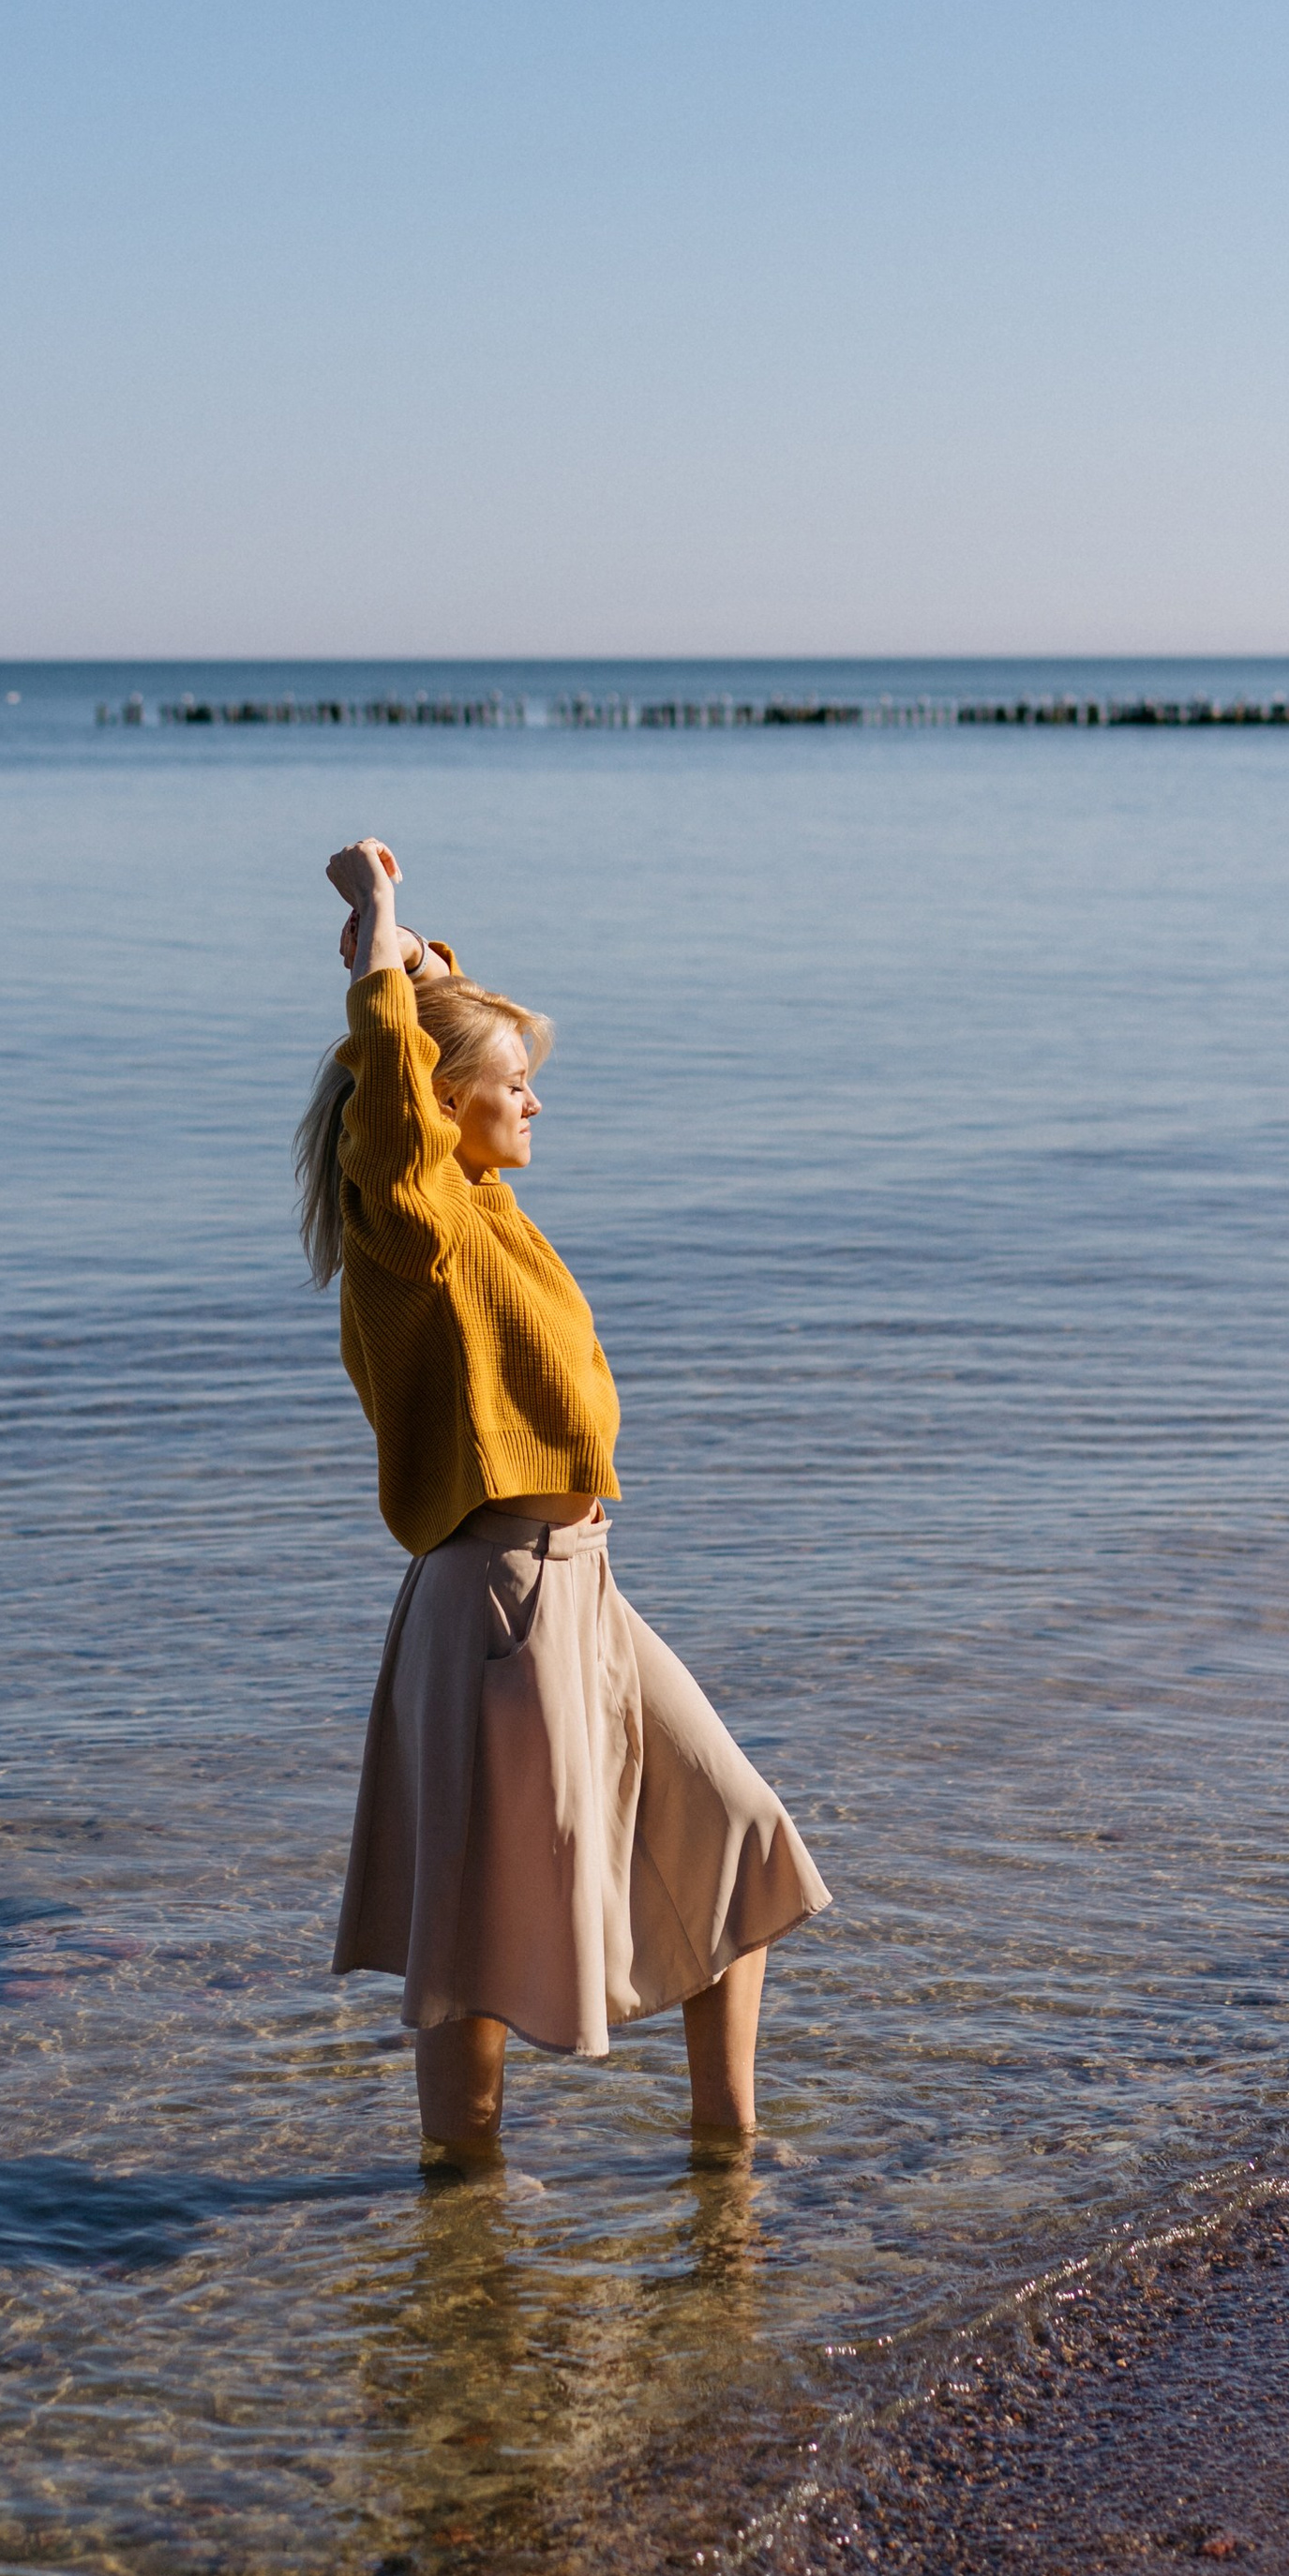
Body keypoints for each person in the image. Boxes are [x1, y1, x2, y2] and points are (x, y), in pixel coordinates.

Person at [300, 835, 829, 2161]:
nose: (536, 1107)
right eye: (516, 1086)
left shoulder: (480, 1207)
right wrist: (379, 938)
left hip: (582, 1589)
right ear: (444, 1104)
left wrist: (428, 963)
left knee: (738, 1837)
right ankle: (459, 2223)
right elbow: (393, 1103)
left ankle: (726, 2162)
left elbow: (431, 1049)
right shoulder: (414, 1221)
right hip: (499, 1603)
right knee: (476, 1951)